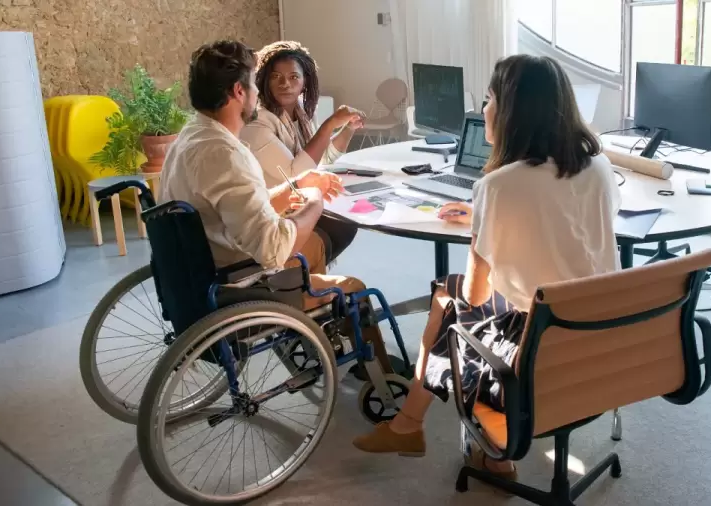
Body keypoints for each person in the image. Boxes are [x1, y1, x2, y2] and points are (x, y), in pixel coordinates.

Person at [352, 54, 621, 481]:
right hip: (603, 331)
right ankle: (427, 431)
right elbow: (569, 228)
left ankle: (438, 434)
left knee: (448, 298)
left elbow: (476, 296)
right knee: (453, 296)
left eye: (490, 99)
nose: (483, 110)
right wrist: (488, 215)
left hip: (540, 342)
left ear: (512, 111)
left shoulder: (497, 187)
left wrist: (486, 219)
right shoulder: (599, 166)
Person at [161, 39, 392, 372]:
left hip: (196, 271)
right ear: (240, 92)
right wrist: (311, 201)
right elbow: (272, 249)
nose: (260, 92)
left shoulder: (192, 136)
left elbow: (238, 203)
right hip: (241, 284)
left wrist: (296, 186)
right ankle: (383, 381)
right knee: (354, 287)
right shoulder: (228, 154)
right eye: (256, 83)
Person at [240, 40, 362, 267]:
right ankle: (303, 280)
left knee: (347, 219)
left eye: (293, 77)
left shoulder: (300, 114)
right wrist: (329, 125)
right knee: (339, 222)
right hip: (273, 216)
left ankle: (310, 280)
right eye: (276, 76)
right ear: (264, 80)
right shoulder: (258, 122)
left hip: (296, 204)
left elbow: (320, 160)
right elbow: (298, 173)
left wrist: (347, 129)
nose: (285, 84)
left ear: (305, 82)